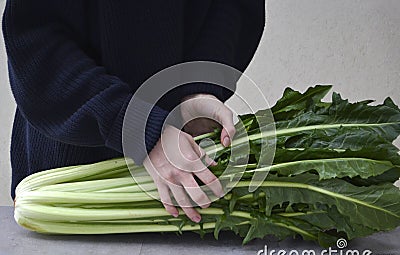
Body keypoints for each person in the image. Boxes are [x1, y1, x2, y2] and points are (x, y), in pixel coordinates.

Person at [3, 1, 265, 222]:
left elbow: (235, 6)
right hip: (64, 180)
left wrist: (199, 87)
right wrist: (138, 127)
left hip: (181, 180)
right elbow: (35, 36)